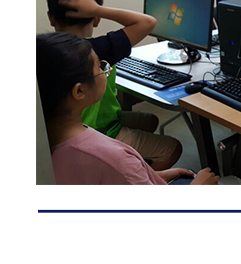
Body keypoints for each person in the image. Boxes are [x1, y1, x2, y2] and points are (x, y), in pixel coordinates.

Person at [37, 32, 220, 185]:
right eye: (99, 67)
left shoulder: (45, 144)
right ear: (79, 91)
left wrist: (148, 175)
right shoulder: (115, 158)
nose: (105, 69)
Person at [46, 0, 182, 170]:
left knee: (150, 120)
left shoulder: (46, 50)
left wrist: (94, 10)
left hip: (83, 125)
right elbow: (147, 22)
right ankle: (131, 175)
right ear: (96, 19)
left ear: (51, 18)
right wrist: (97, 9)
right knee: (173, 149)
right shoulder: (94, 51)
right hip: (96, 131)